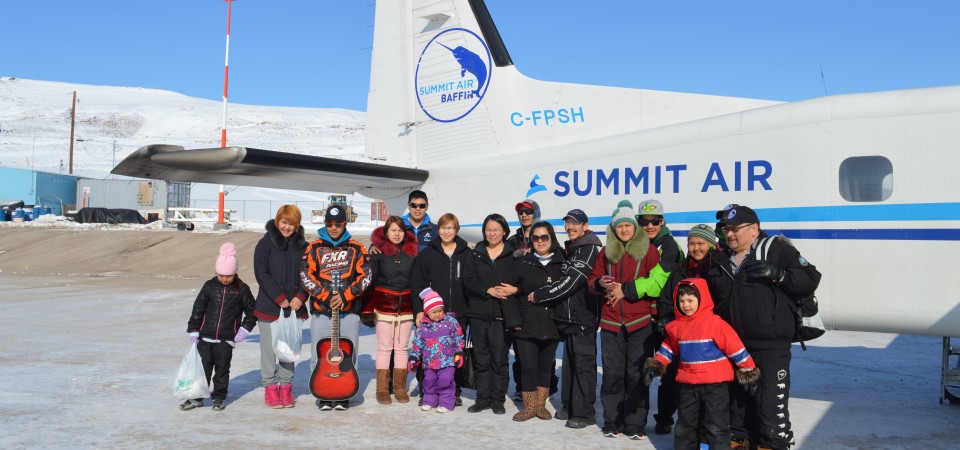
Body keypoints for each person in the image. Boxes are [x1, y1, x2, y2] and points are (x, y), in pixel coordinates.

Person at [704, 205, 821, 449]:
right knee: (737, 410)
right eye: (726, 228)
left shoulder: (776, 250)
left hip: (770, 346)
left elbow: (811, 277)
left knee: (770, 410)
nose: (729, 233)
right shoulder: (720, 258)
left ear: (754, 229)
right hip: (735, 348)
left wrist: (780, 275)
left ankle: (775, 444)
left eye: (735, 228)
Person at [643, 278, 760, 450]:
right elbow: (667, 349)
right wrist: (656, 365)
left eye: (690, 300)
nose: (686, 305)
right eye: (681, 301)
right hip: (688, 385)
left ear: (702, 299)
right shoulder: (676, 327)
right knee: (685, 426)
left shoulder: (715, 324)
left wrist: (748, 370)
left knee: (715, 424)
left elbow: (736, 348)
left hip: (715, 386)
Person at [586, 200, 663, 439]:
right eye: (620, 226)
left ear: (635, 227)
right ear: (614, 228)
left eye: (628, 225)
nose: (624, 229)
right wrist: (600, 284)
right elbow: (592, 280)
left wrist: (652, 314)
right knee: (612, 373)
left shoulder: (648, 250)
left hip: (639, 321)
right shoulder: (606, 251)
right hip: (610, 322)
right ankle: (612, 421)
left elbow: (656, 286)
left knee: (637, 373)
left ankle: (635, 423)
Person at [301, 203, 372, 411]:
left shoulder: (356, 247)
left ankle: (345, 393)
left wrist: (345, 295)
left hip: (349, 309)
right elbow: (305, 275)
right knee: (319, 352)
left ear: (344, 224)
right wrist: (325, 296)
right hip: (322, 310)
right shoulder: (313, 247)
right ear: (325, 224)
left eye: (338, 224)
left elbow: (366, 276)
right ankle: (322, 392)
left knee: (348, 354)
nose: (334, 227)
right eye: (330, 223)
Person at [538, 209, 603, 429]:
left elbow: (572, 282)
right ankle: (569, 406)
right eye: (567, 223)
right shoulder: (573, 248)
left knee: (584, 366)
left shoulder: (589, 248)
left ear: (585, 226)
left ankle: (585, 413)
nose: (570, 227)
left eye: (575, 223)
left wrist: (540, 295)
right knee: (570, 365)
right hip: (568, 318)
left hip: (582, 316)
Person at [652, 224, 720, 432]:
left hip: (707, 339)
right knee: (671, 380)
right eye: (692, 243)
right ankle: (664, 418)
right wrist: (667, 318)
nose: (696, 248)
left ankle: (700, 428)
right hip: (680, 336)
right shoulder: (680, 271)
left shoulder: (717, 270)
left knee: (703, 386)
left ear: (711, 245)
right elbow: (666, 299)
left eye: (701, 243)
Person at [182, 242, 257, 412]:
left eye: (228, 276)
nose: (224, 279)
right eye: (221, 275)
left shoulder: (242, 289)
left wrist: (244, 330)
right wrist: (194, 329)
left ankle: (219, 397)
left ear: (235, 273)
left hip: (226, 339)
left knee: (222, 371)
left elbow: (252, 311)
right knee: (203, 370)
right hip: (205, 338)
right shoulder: (209, 286)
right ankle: (196, 397)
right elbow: (198, 309)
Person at [502, 221, 563, 422]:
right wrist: (514, 322)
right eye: (535, 238)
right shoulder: (522, 262)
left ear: (551, 238)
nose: (540, 241)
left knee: (545, 367)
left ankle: (540, 405)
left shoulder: (562, 263)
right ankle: (528, 407)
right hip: (526, 323)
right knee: (527, 366)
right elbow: (507, 293)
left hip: (551, 323)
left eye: (544, 237)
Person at [410, 213, 472, 406]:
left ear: (456, 230)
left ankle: (455, 391)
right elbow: (417, 283)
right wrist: (420, 309)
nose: (446, 231)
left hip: (458, 314)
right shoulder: (428, 253)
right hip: (433, 315)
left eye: (450, 228)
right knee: (428, 353)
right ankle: (426, 391)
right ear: (439, 230)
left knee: (455, 353)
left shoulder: (466, 253)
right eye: (443, 228)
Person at [632, 199, 683, 434]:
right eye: (644, 221)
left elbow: (656, 284)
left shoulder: (670, 247)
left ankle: (664, 418)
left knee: (667, 373)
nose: (650, 226)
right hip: (641, 317)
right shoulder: (634, 245)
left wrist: (627, 288)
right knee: (641, 369)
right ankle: (634, 418)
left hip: (664, 319)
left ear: (662, 222)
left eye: (655, 221)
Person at [253, 205, 309, 409]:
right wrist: (280, 298)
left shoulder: (304, 247)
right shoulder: (265, 244)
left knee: (288, 349)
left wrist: (301, 296)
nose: (287, 227)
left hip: (294, 308)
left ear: (297, 226)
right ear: (277, 222)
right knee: (269, 350)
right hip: (270, 307)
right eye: (284, 222)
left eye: (291, 224)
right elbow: (262, 273)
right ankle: (270, 388)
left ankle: (285, 387)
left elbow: (309, 275)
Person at [462, 213, 518, 415]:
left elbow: (519, 280)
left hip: (502, 315)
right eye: (488, 229)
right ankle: (482, 398)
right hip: (478, 314)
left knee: (499, 359)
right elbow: (468, 280)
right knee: (481, 358)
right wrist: (488, 290)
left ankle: (498, 399)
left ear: (504, 231)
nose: (492, 233)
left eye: (496, 229)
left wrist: (513, 289)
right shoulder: (475, 254)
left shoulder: (513, 255)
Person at [363, 216, 418, 405]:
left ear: (405, 233)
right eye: (393, 230)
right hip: (384, 305)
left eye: (400, 230)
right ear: (386, 232)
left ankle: (400, 388)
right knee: (384, 348)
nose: (396, 234)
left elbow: (417, 281)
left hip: (406, 307)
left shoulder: (413, 254)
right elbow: (370, 283)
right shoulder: (378, 253)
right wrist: (368, 309)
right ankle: (382, 389)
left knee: (402, 347)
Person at [408, 288, 466, 413]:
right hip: (429, 361)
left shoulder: (450, 321)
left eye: (440, 310)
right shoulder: (422, 326)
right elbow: (417, 344)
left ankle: (446, 402)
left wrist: (459, 351)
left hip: (447, 360)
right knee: (428, 382)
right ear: (427, 312)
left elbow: (458, 337)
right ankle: (429, 400)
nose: (438, 314)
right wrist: (414, 358)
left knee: (446, 381)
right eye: (434, 312)